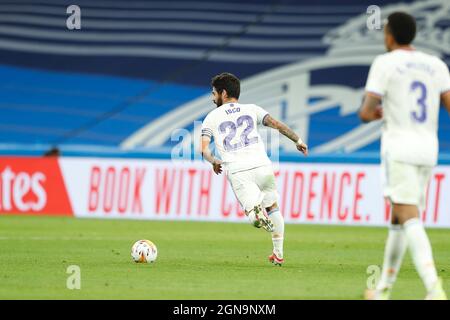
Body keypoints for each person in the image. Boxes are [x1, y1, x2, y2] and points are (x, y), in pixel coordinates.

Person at [359, 12, 450, 300]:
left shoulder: (385, 63)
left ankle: (434, 288)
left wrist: (375, 114)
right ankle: (383, 290)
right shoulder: (436, 64)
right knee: (399, 217)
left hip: (399, 147)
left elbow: (365, 111)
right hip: (427, 149)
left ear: (389, 35)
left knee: (408, 215)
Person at [200, 72, 308, 266]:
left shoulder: (211, 117)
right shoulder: (252, 109)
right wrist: (297, 140)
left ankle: (255, 215)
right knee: (273, 207)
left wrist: (214, 161)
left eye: (214, 93)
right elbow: (276, 124)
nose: (212, 97)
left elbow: (204, 149)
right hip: (262, 165)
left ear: (223, 93)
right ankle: (278, 254)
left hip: (238, 170)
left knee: (252, 214)